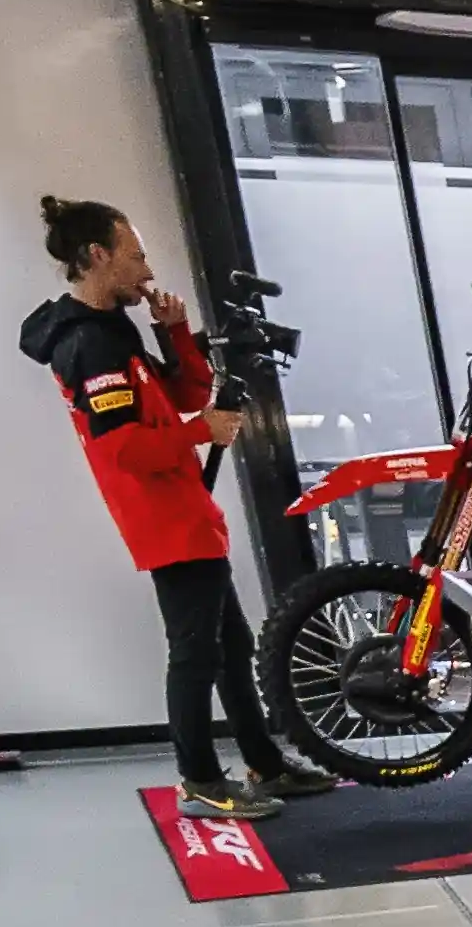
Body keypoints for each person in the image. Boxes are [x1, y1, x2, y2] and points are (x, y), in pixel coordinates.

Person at [19, 196, 313, 815]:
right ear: (97, 257)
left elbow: (182, 390)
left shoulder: (111, 329)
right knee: (196, 652)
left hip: (182, 508)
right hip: (163, 516)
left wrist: (173, 332)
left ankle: (262, 762)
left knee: (230, 643)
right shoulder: (87, 345)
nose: (147, 269)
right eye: (136, 255)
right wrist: (202, 431)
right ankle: (200, 781)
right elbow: (124, 449)